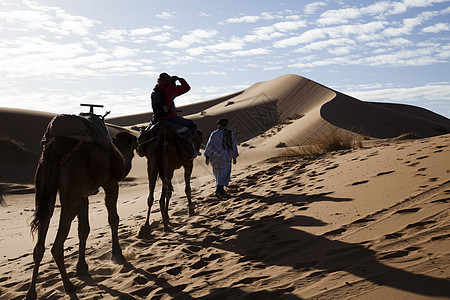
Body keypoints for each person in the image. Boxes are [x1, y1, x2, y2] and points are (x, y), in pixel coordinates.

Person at [204, 118, 239, 199]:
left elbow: (210, 146)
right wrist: (234, 156)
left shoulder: (214, 134)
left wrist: (207, 156)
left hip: (215, 157)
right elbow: (234, 145)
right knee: (224, 173)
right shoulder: (230, 133)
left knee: (217, 173)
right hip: (226, 156)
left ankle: (220, 190)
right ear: (226, 125)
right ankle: (219, 191)